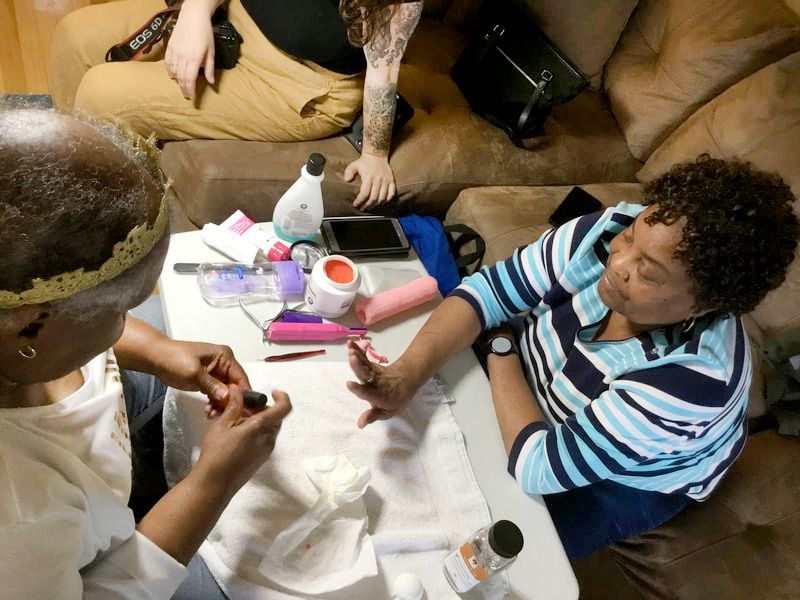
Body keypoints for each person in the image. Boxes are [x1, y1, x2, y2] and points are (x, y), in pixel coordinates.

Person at [346, 156, 799, 560]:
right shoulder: (605, 231)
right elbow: (485, 293)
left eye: (648, 271)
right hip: (550, 390)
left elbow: (537, 467)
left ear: (702, 305)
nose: (618, 263)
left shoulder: (693, 383)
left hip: (632, 480)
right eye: (632, 238)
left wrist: (500, 350)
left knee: (493, 553)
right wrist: (403, 375)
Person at [0, 109, 291, 598]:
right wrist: (213, 483)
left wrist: (158, 350)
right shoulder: (19, 520)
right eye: (119, 311)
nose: (123, 324)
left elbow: (75, 322)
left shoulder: (23, 328)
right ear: (32, 321)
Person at [50, 0, 424, 210]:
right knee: (74, 37)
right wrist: (196, 14)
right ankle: (65, 169)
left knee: (101, 93)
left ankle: (84, 209)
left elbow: (384, 70)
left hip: (296, 82)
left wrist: (375, 153)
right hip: (232, 12)